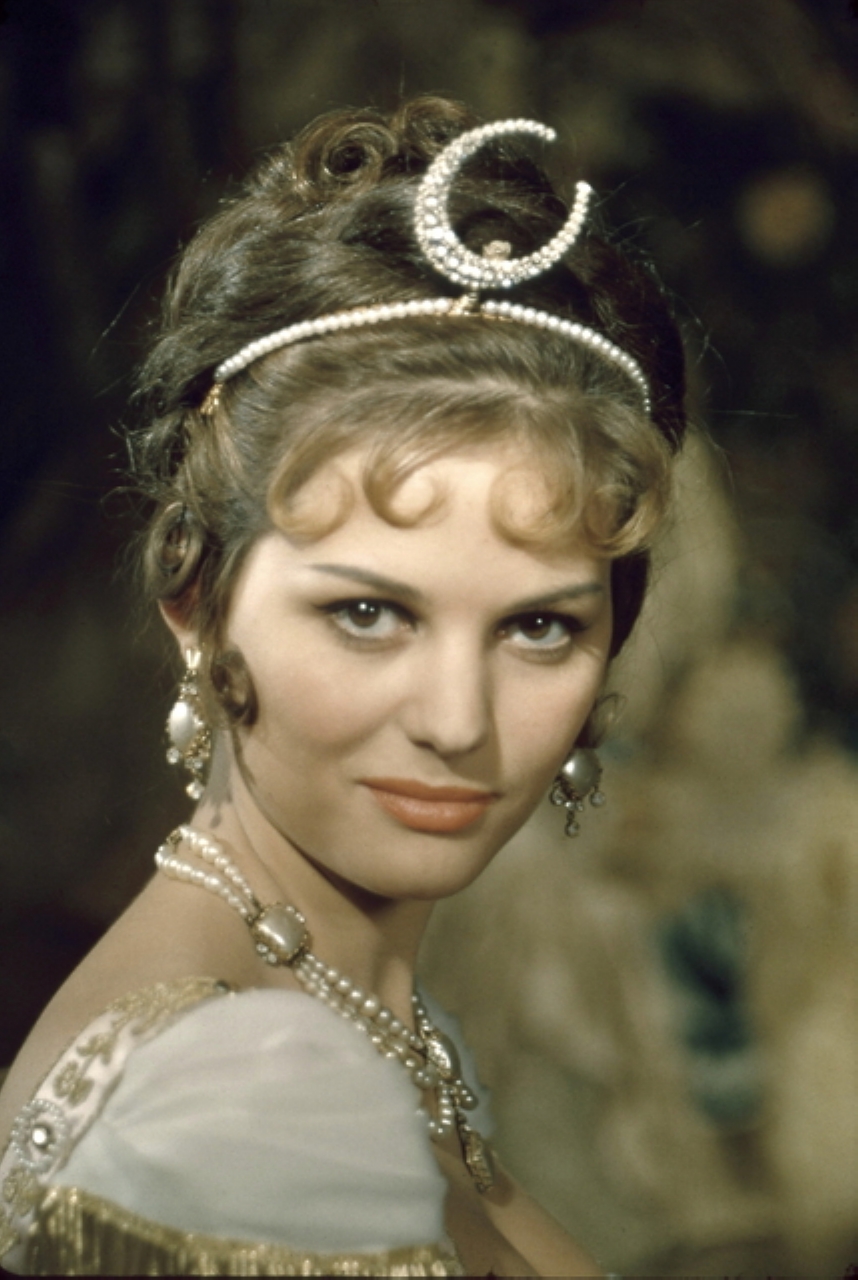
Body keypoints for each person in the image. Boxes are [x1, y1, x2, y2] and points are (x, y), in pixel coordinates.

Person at [0, 96, 686, 1276]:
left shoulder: (361, 1024)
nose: (457, 720)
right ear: (196, 601)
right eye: (368, 613)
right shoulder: (226, 1107)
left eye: (537, 626)